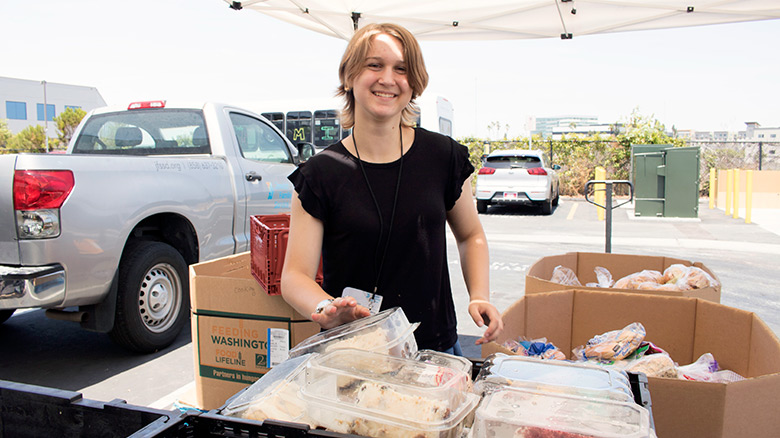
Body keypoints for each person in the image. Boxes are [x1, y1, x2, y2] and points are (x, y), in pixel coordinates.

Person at [280, 22, 503, 354]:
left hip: (435, 351)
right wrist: (327, 309)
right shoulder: (320, 174)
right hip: (354, 354)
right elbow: (294, 276)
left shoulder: (443, 156)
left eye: (401, 69)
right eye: (374, 65)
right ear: (349, 76)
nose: (388, 79)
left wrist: (480, 294)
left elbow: (471, 235)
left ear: (414, 83)